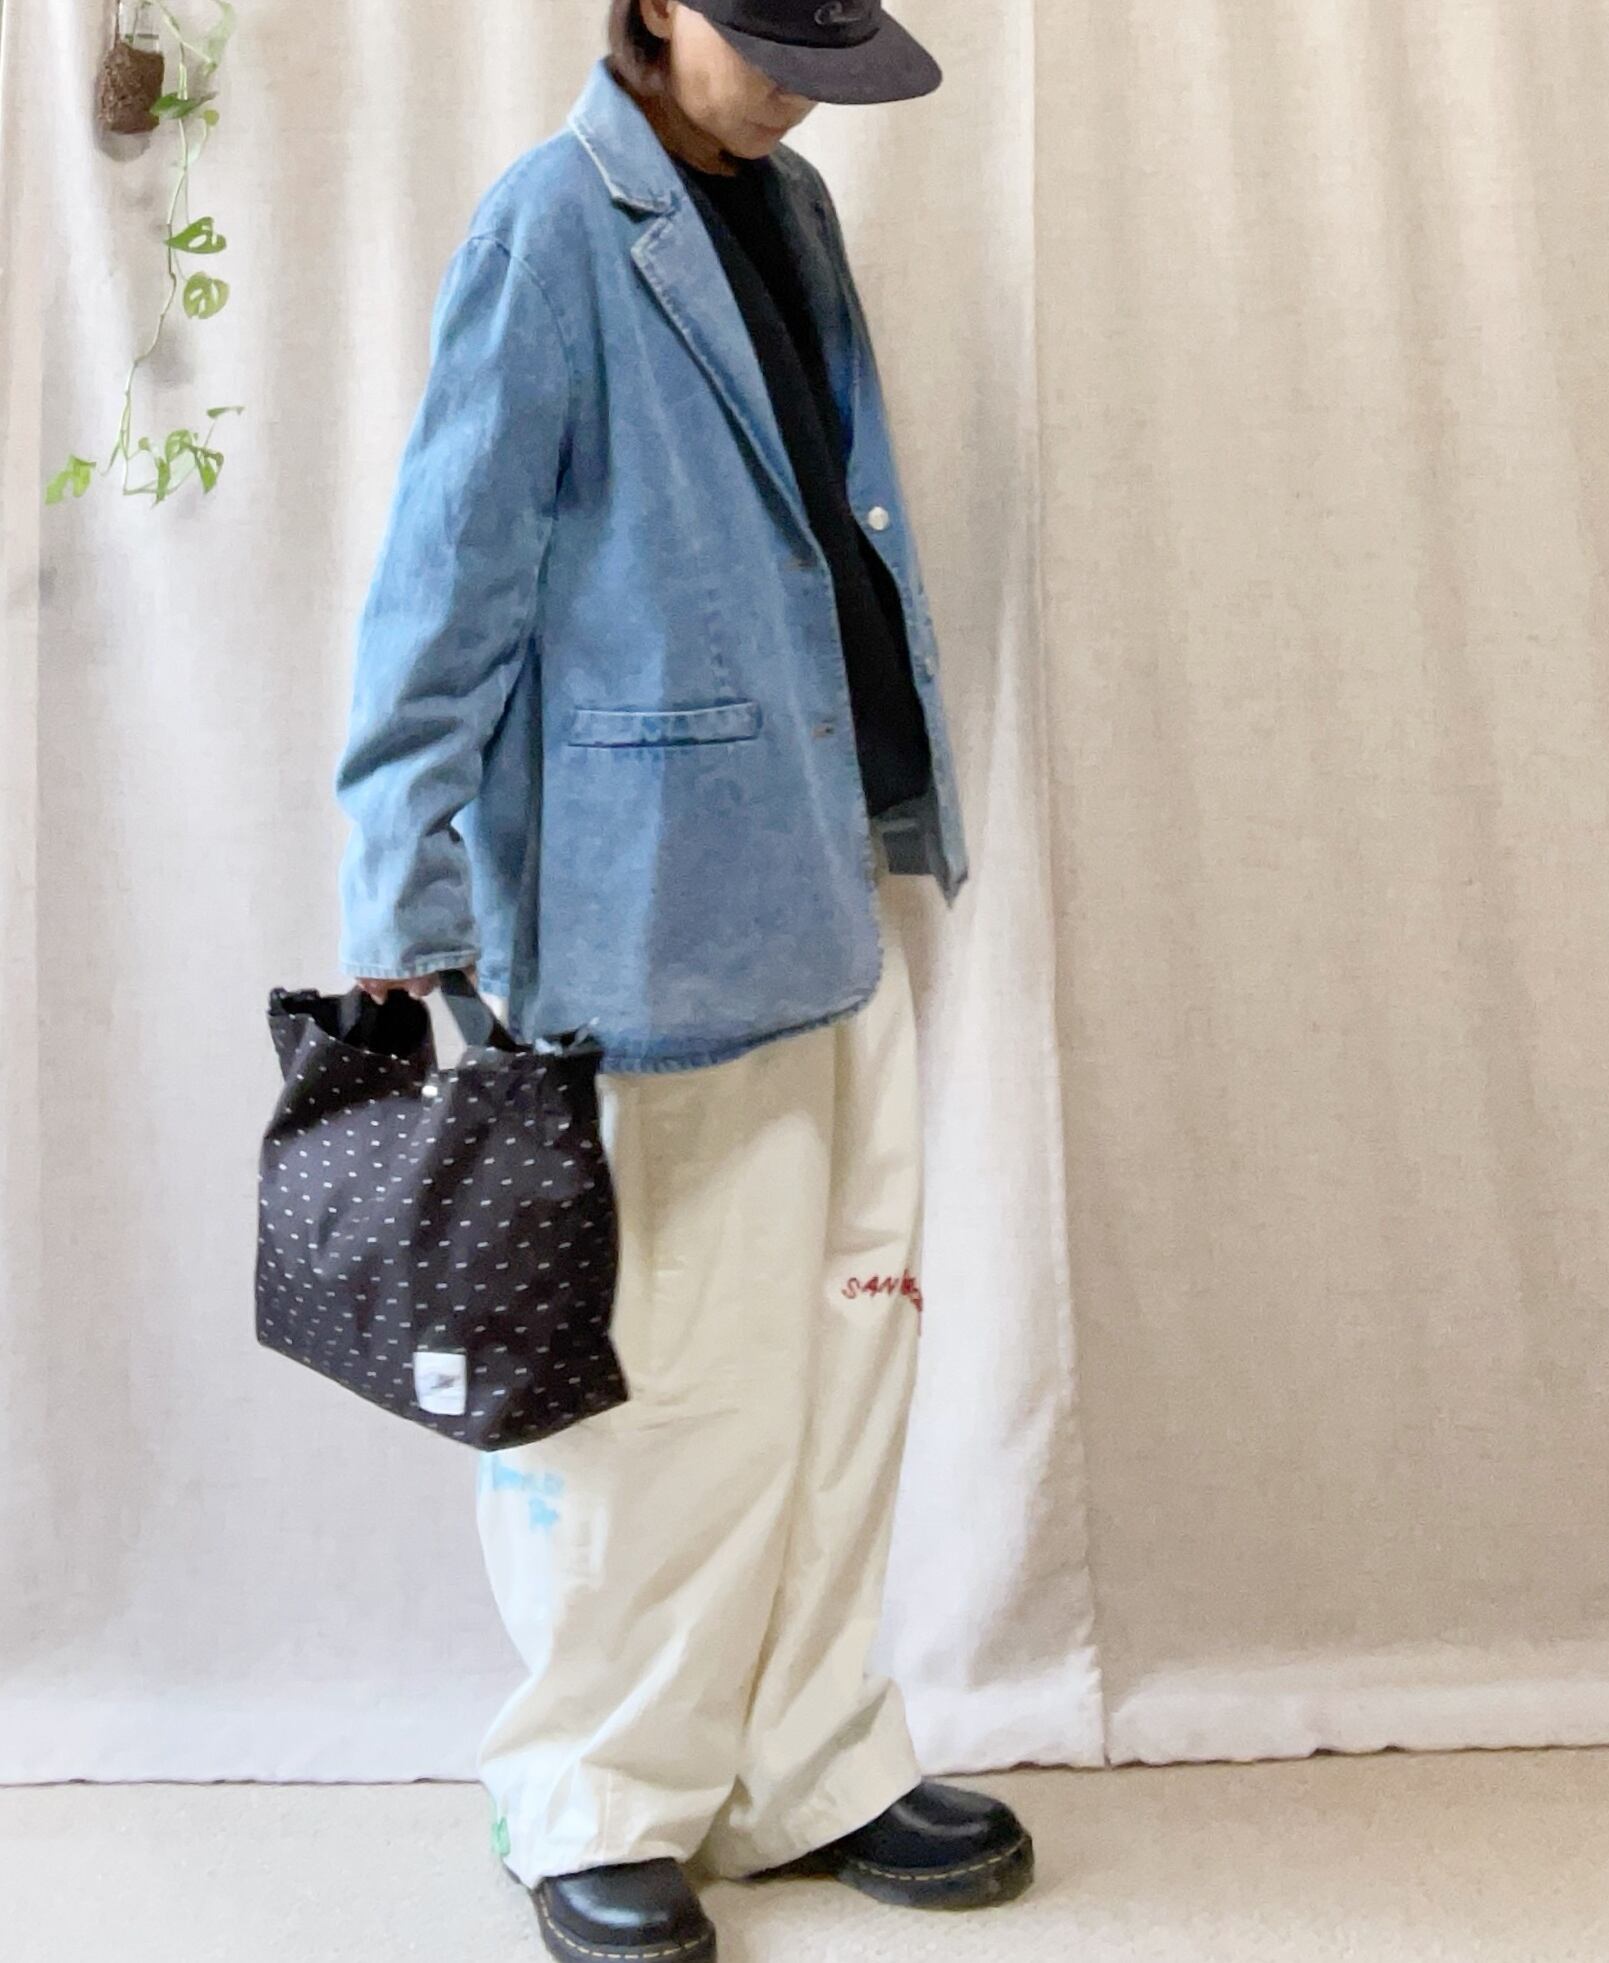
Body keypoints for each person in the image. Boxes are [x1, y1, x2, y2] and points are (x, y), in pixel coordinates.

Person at [331, 4, 1029, 1958]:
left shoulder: (790, 205)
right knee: (655, 1387)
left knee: (845, 1345)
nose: (798, 82)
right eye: (766, 36)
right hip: (646, 908)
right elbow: (443, 582)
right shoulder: (552, 224)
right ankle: (599, 1790)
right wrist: (405, 898)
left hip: (836, 862)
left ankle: (806, 1759)